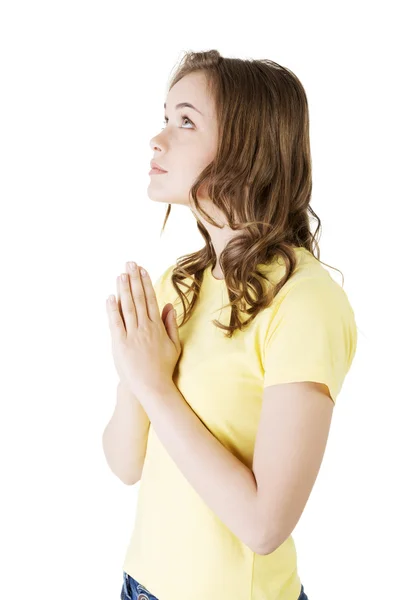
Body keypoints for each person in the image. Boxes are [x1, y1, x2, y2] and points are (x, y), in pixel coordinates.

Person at [115, 50, 358, 600]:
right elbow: (125, 461)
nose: (158, 139)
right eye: (165, 117)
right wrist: (134, 369)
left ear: (247, 148)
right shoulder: (179, 281)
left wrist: (154, 383)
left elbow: (264, 525)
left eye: (185, 121)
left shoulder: (306, 303)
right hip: (138, 583)